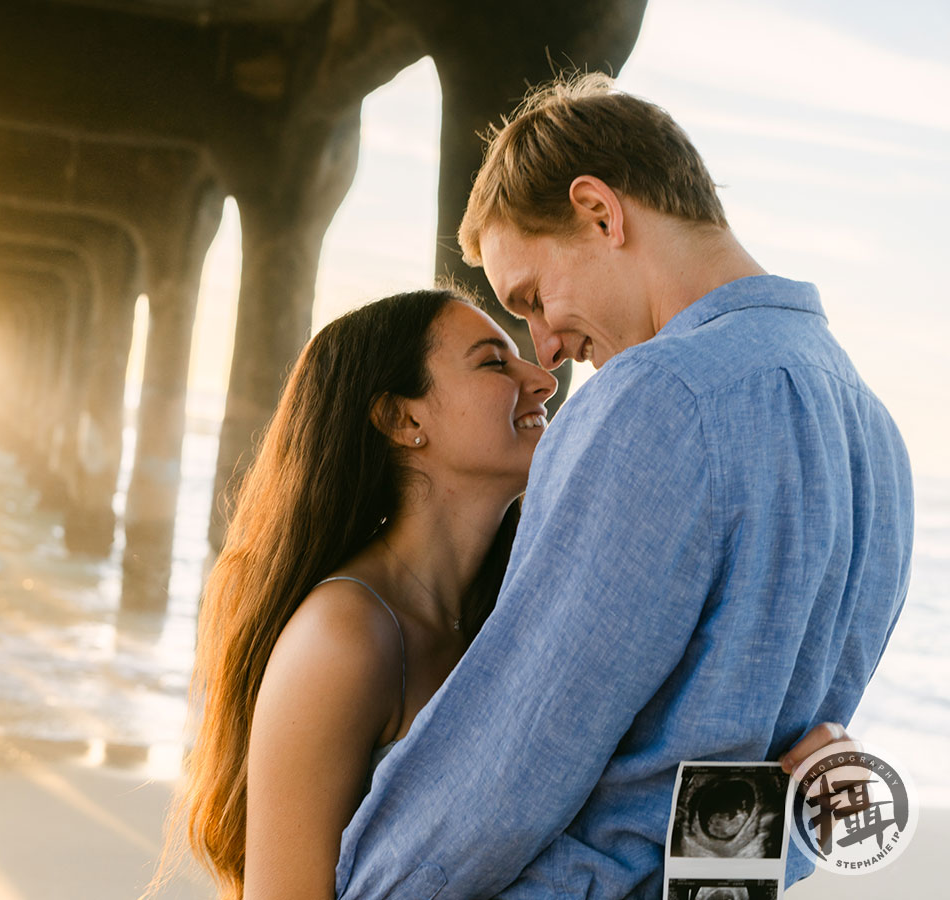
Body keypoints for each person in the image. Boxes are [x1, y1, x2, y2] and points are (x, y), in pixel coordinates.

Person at [332, 74, 914, 899]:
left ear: (600, 212)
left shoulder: (655, 400)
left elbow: (515, 754)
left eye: (532, 297)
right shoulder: (876, 438)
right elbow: (761, 792)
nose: (548, 347)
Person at [153, 289, 857, 900]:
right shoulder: (343, 636)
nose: (544, 377)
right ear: (403, 421)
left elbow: (622, 849)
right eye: (494, 362)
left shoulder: (527, 613)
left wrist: (783, 810)